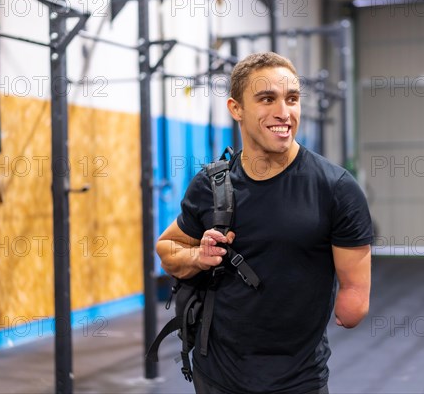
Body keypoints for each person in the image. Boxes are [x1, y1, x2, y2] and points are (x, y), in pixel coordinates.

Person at [156, 52, 373, 394]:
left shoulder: (336, 189)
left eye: (292, 99)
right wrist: (197, 257)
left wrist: (352, 299)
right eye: (267, 99)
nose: (283, 113)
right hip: (216, 376)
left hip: (299, 381)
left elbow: (353, 306)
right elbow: (167, 247)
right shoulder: (211, 185)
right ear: (236, 109)